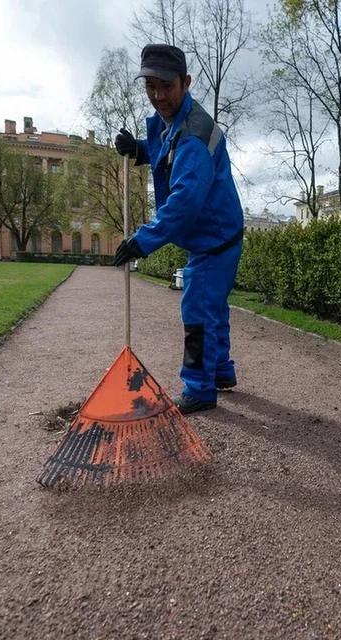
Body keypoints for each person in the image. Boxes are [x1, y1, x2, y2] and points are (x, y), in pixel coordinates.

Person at [111, 44, 244, 415]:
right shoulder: (176, 122)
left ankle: (199, 389)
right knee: (213, 307)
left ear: (184, 83)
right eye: (150, 86)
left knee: (198, 308)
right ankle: (221, 371)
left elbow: (185, 200)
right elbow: (167, 147)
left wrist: (143, 240)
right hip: (218, 235)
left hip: (215, 239)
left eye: (165, 86)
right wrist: (140, 149)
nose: (157, 96)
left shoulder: (194, 135)